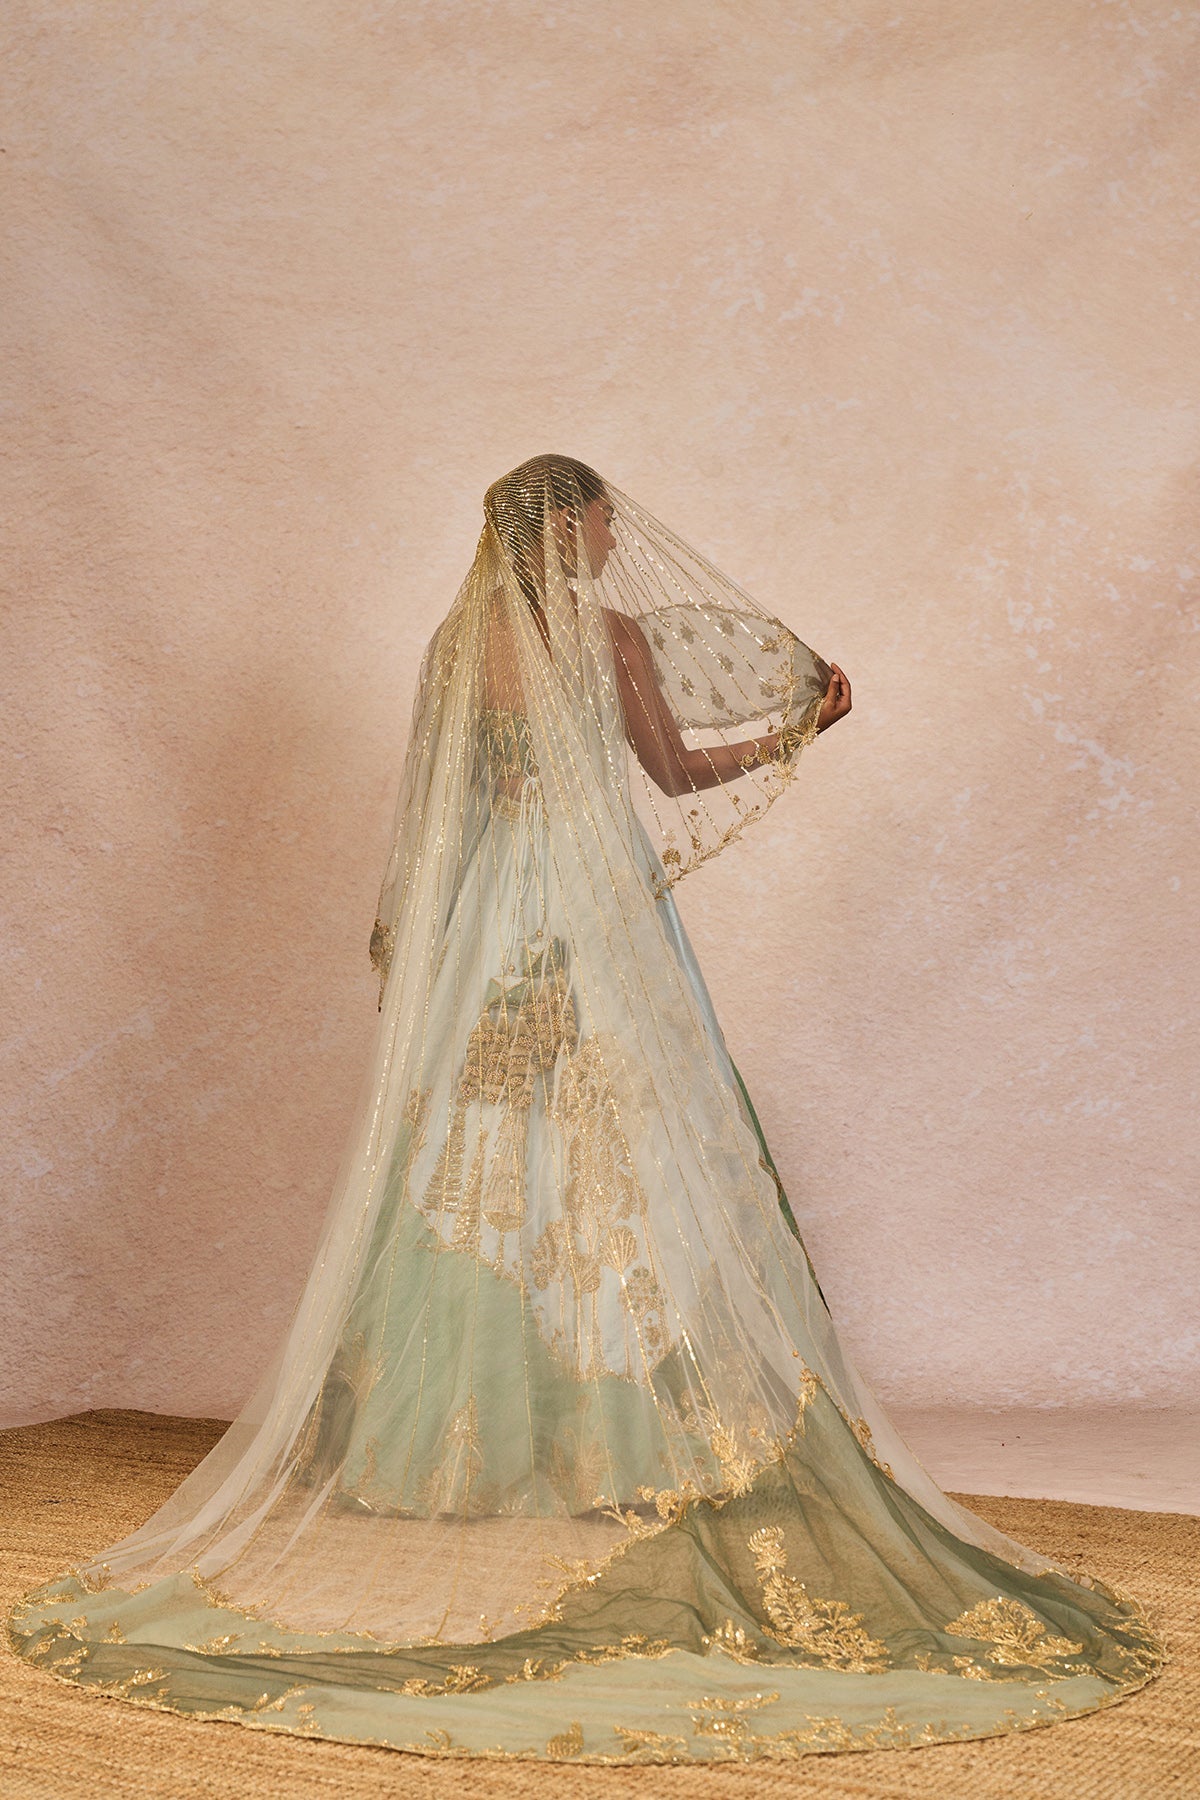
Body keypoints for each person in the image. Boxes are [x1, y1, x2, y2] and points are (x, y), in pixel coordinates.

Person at [10, 455, 1162, 1764]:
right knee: (619, 1138)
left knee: (484, 1149)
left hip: (494, 913)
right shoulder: (600, 636)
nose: (616, 542)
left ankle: (440, 1447)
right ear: (565, 524)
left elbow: (446, 811)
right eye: (604, 522)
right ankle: (620, 1439)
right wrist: (806, 726)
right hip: (592, 908)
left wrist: (439, 945)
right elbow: (674, 773)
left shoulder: (459, 646)